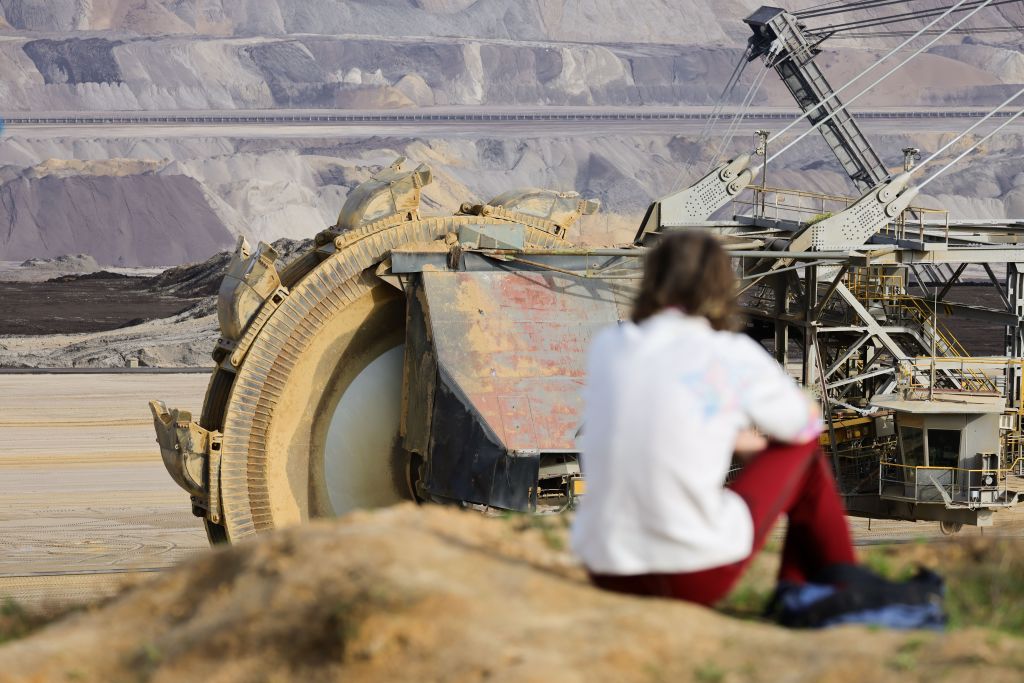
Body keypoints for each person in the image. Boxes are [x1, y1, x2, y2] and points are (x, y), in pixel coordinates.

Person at [570, 231, 857, 608]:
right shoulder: (730, 353)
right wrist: (741, 436)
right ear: (722, 284)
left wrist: (726, 432)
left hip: (606, 566)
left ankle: (809, 589)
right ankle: (836, 587)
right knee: (803, 451)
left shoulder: (609, 345)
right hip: (694, 576)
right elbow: (806, 425)